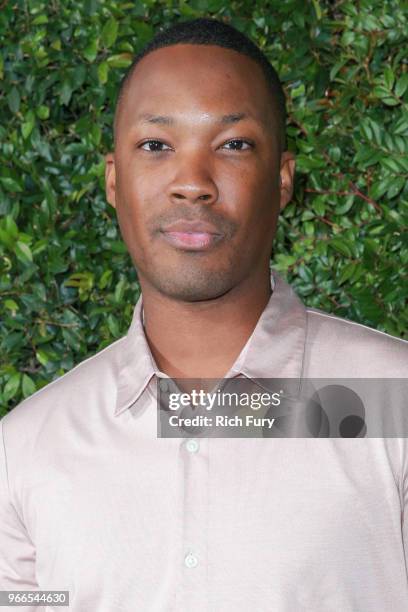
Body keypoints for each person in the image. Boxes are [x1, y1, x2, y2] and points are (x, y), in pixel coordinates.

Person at [1, 16, 407, 612]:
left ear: (283, 177)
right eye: (156, 146)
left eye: (234, 144)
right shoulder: (27, 448)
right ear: (115, 179)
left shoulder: (392, 402)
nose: (192, 183)